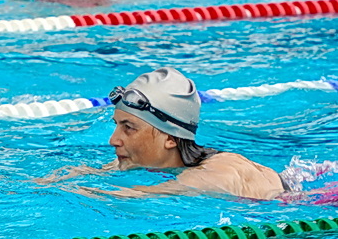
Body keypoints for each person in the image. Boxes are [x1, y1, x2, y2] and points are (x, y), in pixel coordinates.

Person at [44, 67, 286, 200]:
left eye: (129, 128)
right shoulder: (148, 159)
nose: (113, 140)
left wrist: (71, 192)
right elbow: (98, 172)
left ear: (170, 137)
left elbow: (132, 196)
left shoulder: (217, 174)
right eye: (117, 125)